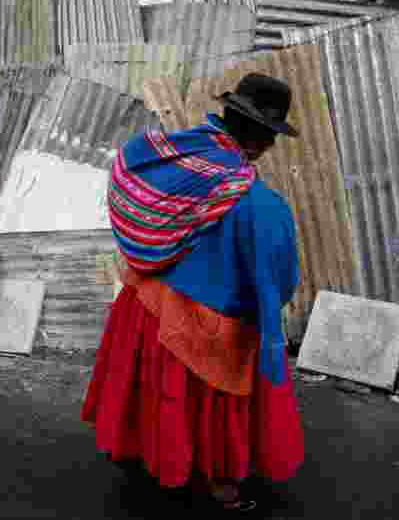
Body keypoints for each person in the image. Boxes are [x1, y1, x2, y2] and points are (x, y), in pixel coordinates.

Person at [82, 73, 305, 512]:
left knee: (148, 391)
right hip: (204, 329)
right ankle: (222, 488)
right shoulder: (262, 207)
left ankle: (137, 452)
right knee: (210, 406)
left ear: (226, 117)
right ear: (264, 142)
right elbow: (278, 284)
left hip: (144, 305)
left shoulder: (168, 161)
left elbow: (127, 179)